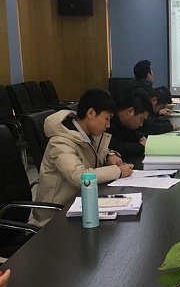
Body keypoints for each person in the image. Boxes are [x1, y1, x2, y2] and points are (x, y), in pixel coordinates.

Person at [34, 89, 134, 225]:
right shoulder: (60, 142)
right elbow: (80, 177)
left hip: (80, 204)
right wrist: (118, 171)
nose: (108, 125)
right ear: (91, 113)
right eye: (107, 118)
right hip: (55, 217)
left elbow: (93, 155)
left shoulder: (88, 135)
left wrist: (109, 155)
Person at [109, 93, 153, 162]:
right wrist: (141, 146)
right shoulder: (109, 123)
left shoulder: (123, 123)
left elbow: (131, 134)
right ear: (130, 111)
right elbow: (116, 147)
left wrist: (141, 137)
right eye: (141, 119)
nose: (141, 124)